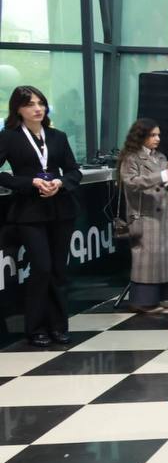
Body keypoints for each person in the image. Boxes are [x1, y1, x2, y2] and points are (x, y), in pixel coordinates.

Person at [0, 85, 81, 346]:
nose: (37, 108)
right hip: (29, 212)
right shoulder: (9, 137)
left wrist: (60, 182)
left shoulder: (58, 136)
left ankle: (58, 325)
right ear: (18, 109)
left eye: (40, 103)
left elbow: (74, 171)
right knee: (42, 268)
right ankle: (35, 327)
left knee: (58, 269)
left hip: (61, 209)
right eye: (30, 104)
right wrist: (29, 182)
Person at [117, 119, 168, 313]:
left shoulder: (160, 157)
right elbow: (131, 182)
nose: (157, 139)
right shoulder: (131, 158)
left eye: (158, 135)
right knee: (146, 260)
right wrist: (161, 176)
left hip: (163, 215)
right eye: (152, 135)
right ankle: (142, 302)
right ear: (141, 136)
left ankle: (162, 296)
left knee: (163, 257)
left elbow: (165, 186)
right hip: (144, 215)